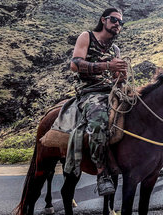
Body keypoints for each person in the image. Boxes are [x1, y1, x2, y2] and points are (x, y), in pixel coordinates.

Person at [67, 8, 127, 196]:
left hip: (111, 91)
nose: (117, 24)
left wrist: (121, 75)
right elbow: (75, 64)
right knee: (98, 122)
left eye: (120, 22)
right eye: (114, 20)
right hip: (90, 92)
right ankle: (102, 174)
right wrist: (107, 65)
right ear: (103, 20)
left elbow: (116, 76)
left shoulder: (115, 49)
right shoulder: (87, 37)